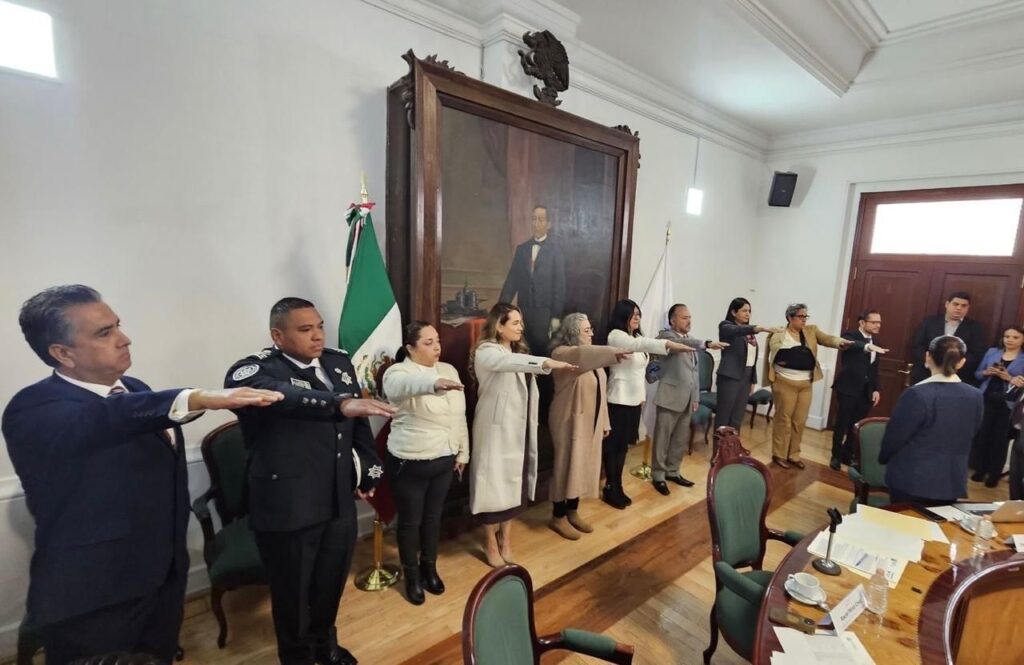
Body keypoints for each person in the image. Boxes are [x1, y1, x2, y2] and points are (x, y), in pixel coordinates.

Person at [2, 285, 282, 665]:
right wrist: (195, 397)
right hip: (96, 595)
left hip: (162, 576)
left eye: (118, 325)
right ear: (63, 353)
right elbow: (105, 418)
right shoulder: (34, 409)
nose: (125, 339)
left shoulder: (134, 389)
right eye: (105, 333)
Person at [224, 297, 396, 665]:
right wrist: (337, 403)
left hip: (337, 498)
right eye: (305, 330)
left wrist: (368, 470)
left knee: (330, 584)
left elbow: (357, 423)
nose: (318, 336)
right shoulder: (253, 372)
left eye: (319, 327)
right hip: (289, 506)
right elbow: (285, 397)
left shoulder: (337, 362)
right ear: (278, 336)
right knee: (292, 594)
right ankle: (298, 657)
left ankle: (325, 645)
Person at [469, 303, 575, 566]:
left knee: (513, 485)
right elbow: (507, 363)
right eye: (515, 323)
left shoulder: (517, 351)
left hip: (519, 429)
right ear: (499, 326)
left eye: (521, 322)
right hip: (495, 431)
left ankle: (506, 538)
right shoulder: (487, 351)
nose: (521, 327)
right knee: (492, 486)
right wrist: (546, 362)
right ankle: (490, 541)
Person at [381, 321, 468, 605]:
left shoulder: (449, 370)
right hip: (410, 461)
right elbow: (399, 388)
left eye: (437, 341)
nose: (437, 347)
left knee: (433, 517)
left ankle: (429, 568)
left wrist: (462, 452)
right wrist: (432, 383)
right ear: (410, 348)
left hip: (444, 458)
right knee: (410, 522)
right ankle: (412, 576)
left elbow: (458, 415)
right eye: (428, 343)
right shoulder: (398, 372)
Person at [547, 313, 629, 540]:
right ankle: (558, 516)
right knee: (565, 466)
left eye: (591, 329)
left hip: (589, 421)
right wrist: (612, 352)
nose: (591, 333)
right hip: (567, 420)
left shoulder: (595, 361)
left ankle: (572, 511)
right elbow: (581, 356)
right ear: (573, 333)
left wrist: (604, 421)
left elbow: (600, 392)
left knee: (581, 466)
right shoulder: (562, 353)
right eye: (586, 330)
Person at [605, 299, 694, 505]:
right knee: (613, 446)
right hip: (618, 399)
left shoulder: (637, 336)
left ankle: (618, 486)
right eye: (633, 314)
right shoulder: (616, 335)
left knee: (623, 447)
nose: (637, 317)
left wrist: (642, 397)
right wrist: (669, 344)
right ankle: (610, 486)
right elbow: (638, 345)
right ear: (623, 315)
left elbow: (641, 371)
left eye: (639, 314)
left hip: (634, 400)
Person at [880, 336, 984, 505]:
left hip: (912, 478)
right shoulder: (976, 395)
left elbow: (895, 436)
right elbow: (972, 431)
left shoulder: (916, 394)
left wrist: (883, 458)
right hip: (951, 480)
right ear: (961, 362)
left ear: (928, 357)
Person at [647, 304, 727, 494]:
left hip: (687, 399)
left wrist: (696, 397)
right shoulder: (665, 337)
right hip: (669, 398)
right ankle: (658, 475)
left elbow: (694, 373)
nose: (689, 321)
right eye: (684, 318)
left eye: (690, 317)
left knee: (679, 439)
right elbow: (677, 346)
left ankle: (673, 471)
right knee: (662, 439)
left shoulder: (690, 340)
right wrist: (707, 344)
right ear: (672, 320)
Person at [763, 304, 851, 469]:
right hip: (784, 382)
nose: (804, 319)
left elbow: (828, 339)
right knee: (783, 419)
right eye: (800, 316)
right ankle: (779, 454)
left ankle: (793, 455)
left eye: (805, 316)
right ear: (790, 318)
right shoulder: (779, 333)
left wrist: (840, 342)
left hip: (805, 384)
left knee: (799, 421)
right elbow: (774, 355)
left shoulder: (811, 331)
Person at [498, 205, 566, 355]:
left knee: (541, 351)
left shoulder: (556, 251)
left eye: (541, 220)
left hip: (544, 315)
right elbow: (511, 281)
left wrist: (556, 317)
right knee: (521, 350)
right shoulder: (522, 249)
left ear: (548, 224)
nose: (536, 223)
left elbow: (559, 287)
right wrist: (500, 309)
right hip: (523, 312)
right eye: (534, 219)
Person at [830, 310, 889, 469]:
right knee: (842, 423)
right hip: (848, 388)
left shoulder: (876, 341)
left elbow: (874, 369)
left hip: (865, 391)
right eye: (874, 322)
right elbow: (852, 345)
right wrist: (868, 346)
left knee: (856, 425)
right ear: (862, 323)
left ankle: (847, 454)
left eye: (879, 322)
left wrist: (876, 389)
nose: (878, 325)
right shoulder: (849, 336)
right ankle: (835, 456)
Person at [969, 326, 1024, 488]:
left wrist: (1009, 377)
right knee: (983, 436)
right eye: (1007, 336)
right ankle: (980, 470)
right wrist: (987, 372)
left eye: (1015, 337)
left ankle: (994, 474)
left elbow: (1021, 383)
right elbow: (977, 374)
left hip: (1008, 404)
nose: (1010, 340)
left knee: (1000, 440)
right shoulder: (992, 352)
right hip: (986, 398)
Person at [716, 298, 779, 430]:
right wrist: (759, 328)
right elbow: (736, 330)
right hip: (730, 377)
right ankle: (720, 444)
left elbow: (751, 359)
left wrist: (752, 380)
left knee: (737, 417)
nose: (748, 314)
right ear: (733, 312)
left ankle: (733, 443)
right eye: (744, 311)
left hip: (746, 377)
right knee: (724, 416)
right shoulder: (726, 326)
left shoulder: (749, 334)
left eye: (749, 311)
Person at [909, 291, 986, 385]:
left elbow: (976, 354)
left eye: (963, 306)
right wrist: (932, 362)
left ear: (968, 308)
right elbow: (917, 345)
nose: (959, 308)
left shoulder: (975, 327)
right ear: (947, 304)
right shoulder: (930, 322)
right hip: (925, 374)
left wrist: (953, 365)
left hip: (956, 377)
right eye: (955, 304)